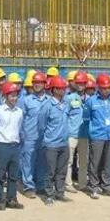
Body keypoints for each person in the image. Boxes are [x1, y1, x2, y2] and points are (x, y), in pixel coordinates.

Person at [84, 73, 110, 199]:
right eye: (103, 88)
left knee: (107, 163)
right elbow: (86, 118)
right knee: (94, 162)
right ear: (98, 88)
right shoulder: (91, 101)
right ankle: (94, 187)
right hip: (97, 136)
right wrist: (92, 132)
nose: (106, 90)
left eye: (108, 88)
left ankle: (107, 186)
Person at [0, 82, 24, 211]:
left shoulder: (19, 112)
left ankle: (12, 199)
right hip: (2, 145)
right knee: (0, 175)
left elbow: (18, 127)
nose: (14, 98)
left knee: (13, 175)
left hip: (15, 145)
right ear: (5, 96)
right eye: (12, 96)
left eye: (16, 95)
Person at [38, 76, 71, 206]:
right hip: (51, 144)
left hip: (64, 143)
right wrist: (49, 137)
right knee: (50, 171)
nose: (63, 90)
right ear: (54, 89)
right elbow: (41, 125)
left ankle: (60, 193)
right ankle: (49, 195)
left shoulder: (66, 104)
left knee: (62, 171)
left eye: (64, 88)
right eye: (60, 88)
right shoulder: (47, 106)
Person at [18, 71, 49, 198]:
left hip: (44, 137)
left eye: (40, 82)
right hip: (29, 136)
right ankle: (28, 187)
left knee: (42, 162)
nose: (37, 85)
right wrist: (21, 134)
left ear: (45, 84)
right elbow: (20, 119)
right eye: (35, 82)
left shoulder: (49, 101)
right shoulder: (26, 101)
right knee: (28, 163)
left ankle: (41, 186)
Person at [64, 71, 88, 192]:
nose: (80, 85)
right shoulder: (69, 98)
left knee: (83, 160)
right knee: (69, 160)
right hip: (71, 134)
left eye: (83, 83)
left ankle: (82, 184)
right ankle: (68, 184)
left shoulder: (90, 99)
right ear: (74, 83)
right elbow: (65, 116)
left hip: (84, 134)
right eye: (78, 83)